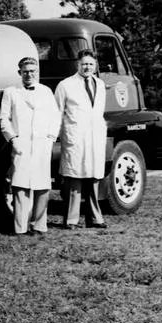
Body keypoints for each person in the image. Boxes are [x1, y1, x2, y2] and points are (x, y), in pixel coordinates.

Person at [0, 57, 61, 235]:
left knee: (42, 185)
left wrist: (50, 138)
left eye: (33, 71)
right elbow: (4, 118)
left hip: (42, 143)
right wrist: (13, 139)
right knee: (20, 185)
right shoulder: (11, 92)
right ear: (20, 73)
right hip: (21, 143)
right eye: (25, 71)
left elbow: (55, 117)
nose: (29, 75)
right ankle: (20, 227)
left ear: (37, 72)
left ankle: (39, 225)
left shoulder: (46, 91)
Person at [55, 49, 108, 229]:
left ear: (96, 66)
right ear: (78, 64)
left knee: (93, 178)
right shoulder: (65, 85)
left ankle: (94, 218)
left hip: (94, 137)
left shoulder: (100, 85)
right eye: (84, 64)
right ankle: (71, 220)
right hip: (75, 137)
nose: (87, 67)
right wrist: (59, 136)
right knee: (74, 179)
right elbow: (57, 113)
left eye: (91, 64)